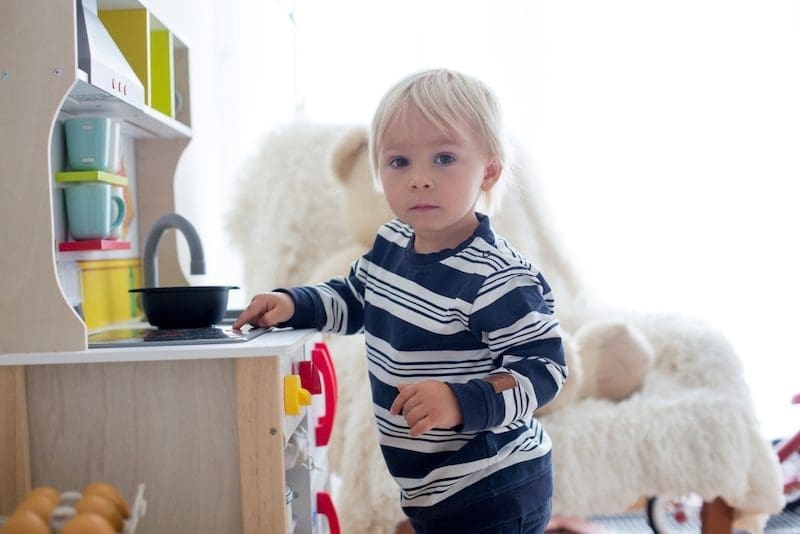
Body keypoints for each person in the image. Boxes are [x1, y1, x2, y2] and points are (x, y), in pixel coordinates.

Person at [233, 68, 567, 534]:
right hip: (430, 489)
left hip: (496, 485)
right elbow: (353, 298)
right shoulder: (392, 242)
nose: (420, 180)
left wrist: (459, 400)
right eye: (399, 162)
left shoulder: (498, 277)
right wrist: (294, 303)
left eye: (444, 158)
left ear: (488, 171)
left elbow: (544, 370)